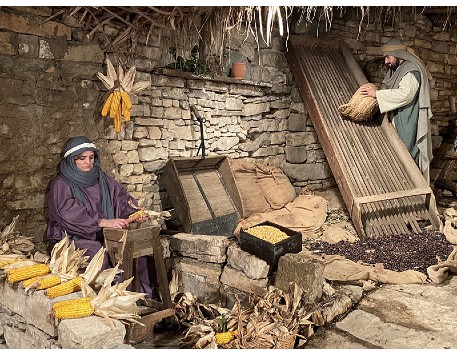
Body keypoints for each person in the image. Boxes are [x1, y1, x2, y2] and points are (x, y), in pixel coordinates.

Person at [47, 136, 157, 298]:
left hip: (105, 234)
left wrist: (133, 213)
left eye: (91, 157)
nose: (88, 162)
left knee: (138, 253)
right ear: (71, 160)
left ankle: (143, 299)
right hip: (75, 237)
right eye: (82, 158)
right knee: (100, 257)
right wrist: (101, 221)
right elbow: (67, 214)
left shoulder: (101, 178)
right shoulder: (61, 184)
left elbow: (120, 198)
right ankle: (107, 300)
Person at [359, 38, 433, 184]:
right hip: (400, 117)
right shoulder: (397, 69)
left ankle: (415, 190)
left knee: (408, 154)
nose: (386, 61)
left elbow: (405, 94)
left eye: (388, 57)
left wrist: (377, 94)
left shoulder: (411, 70)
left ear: (398, 54)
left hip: (409, 119)